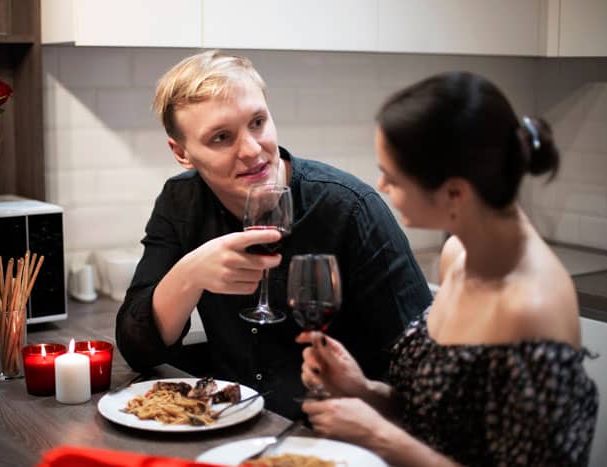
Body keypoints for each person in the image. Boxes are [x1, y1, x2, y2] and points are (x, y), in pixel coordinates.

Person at [298, 71, 599, 465]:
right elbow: (435, 422)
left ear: (455, 193)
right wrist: (363, 391)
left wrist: (378, 436)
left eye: (393, 177)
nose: (382, 186)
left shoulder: (530, 308)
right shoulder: (457, 256)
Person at [115, 50, 432, 418]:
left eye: (258, 122)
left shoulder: (349, 208)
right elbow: (136, 350)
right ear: (182, 153)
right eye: (221, 137)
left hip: (335, 431)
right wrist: (190, 274)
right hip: (233, 423)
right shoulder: (180, 201)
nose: (252, 150)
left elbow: (422, 371)